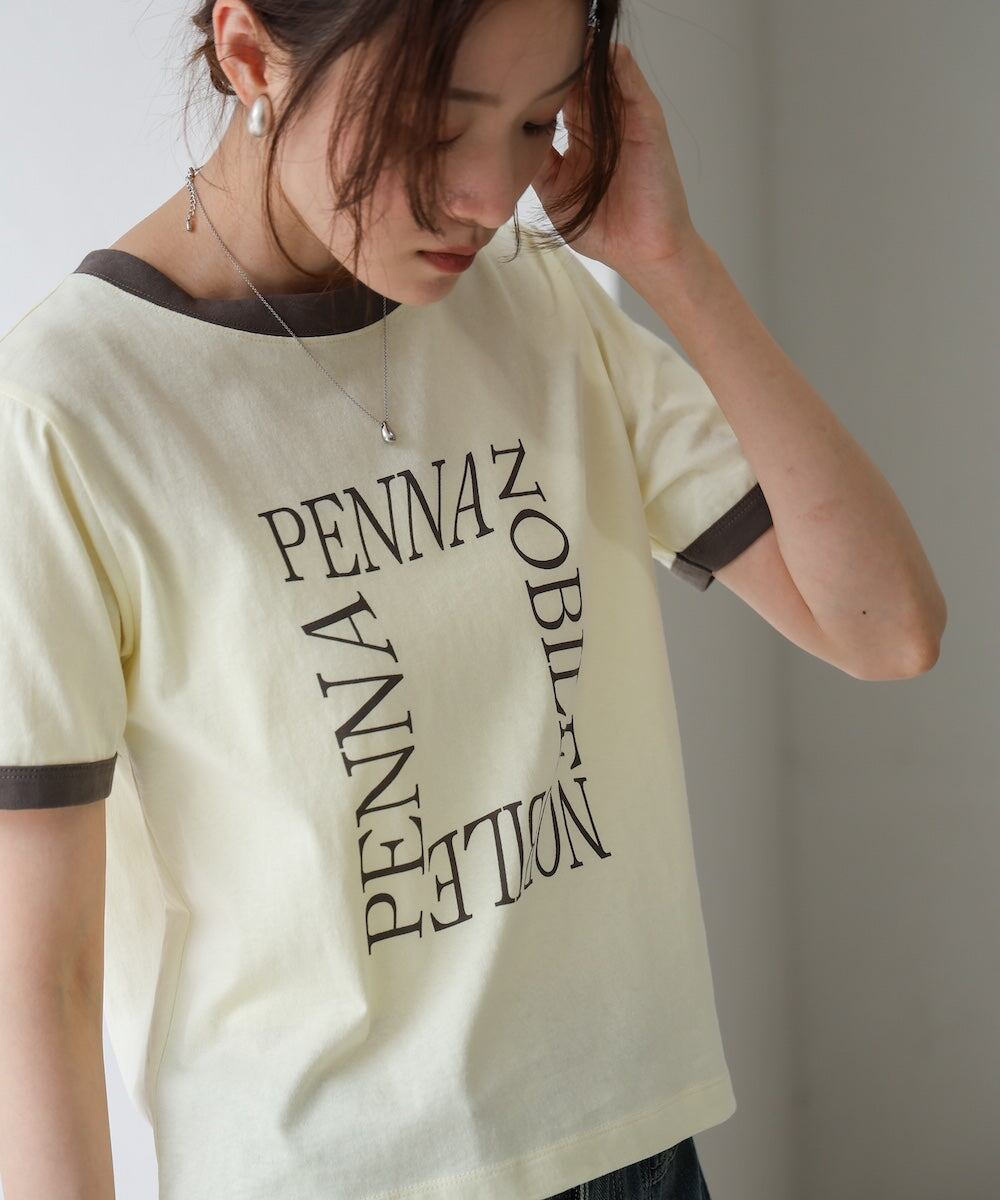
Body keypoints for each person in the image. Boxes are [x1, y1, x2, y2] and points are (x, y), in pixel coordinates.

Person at [0, 0, 781, 1197]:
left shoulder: (532, 296)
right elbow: (39, 982)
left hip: (625, 1147)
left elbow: (887, 626)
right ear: (248, 54)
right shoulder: (66, 412)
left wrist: (674, 262)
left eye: (533, 123)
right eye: (435, 124)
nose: (490, 195)